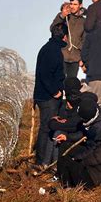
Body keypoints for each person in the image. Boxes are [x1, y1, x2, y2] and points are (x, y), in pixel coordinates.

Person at [55, 98, 101, 188]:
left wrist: (79, 159)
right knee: (65, 149)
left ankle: (68, 187)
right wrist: (68, 138)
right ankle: (65, 182)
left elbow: (100, 155)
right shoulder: (97, 119)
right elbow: (88, 139)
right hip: (95, 163)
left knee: (69, 162)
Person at [33, 24, 68, 168]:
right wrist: (55, 91)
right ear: (64, 36)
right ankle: (42, 161)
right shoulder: (54, 51)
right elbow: (46, 74)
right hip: (48, 97)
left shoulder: (47, 48)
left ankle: (44, 160)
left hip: (42, 95)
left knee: (46, 127)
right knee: (48, 127)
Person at [50, 0, 86, 78]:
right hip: (62, 55)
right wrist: (62, 15)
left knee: (71, 84)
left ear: (80, 5)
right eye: (71, 4)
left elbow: (85, 41)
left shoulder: (84, 21)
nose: (72, 6)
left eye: (75, 4)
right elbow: (52, 29)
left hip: (75, 59)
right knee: (60, 81)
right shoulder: (63, 16)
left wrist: (82, 58)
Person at [48, 77, 83, 163]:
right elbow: (52, 123)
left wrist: (61, 124)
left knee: (58, 133)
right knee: (56, 134)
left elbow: (75, 126)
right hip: (68, 133)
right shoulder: (63, 105)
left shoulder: (81, 104)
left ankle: (55, 164)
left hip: (78, 136)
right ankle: (49, 163)